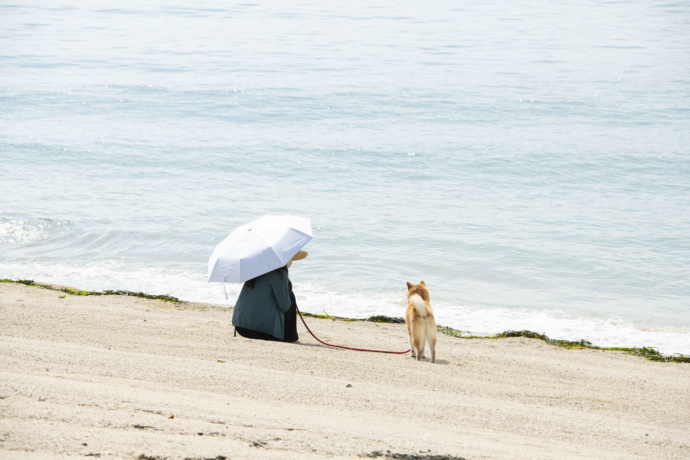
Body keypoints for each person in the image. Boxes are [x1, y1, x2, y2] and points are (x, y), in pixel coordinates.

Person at [232, 250, 308, 343]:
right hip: (261, 331)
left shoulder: (256, 270)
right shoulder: (279, 274)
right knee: (290, 296)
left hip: (240, 327)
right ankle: (290, 337)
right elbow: (285, 306)